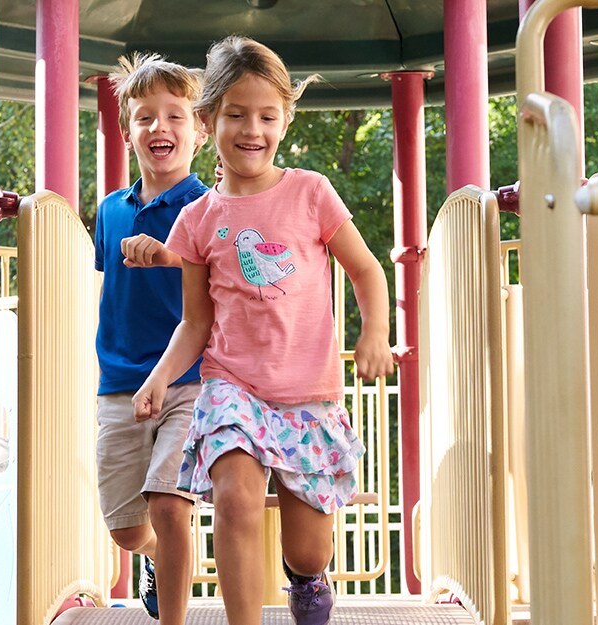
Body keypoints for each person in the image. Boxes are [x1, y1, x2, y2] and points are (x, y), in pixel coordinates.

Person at [133, 35, 395, 625]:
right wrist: (159, 378)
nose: (253, 129)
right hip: (234, 389)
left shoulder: (310, 192)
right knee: (236, 498)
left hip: (308, 392)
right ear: (209, 121)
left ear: (285, 120)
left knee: (308, 546)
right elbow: (196, 323)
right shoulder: (197, 219)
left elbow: (366, 269)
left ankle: (307, 576)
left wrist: (373, 330)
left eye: (267, 116)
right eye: (236, 114)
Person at [92, 52, 207, 623]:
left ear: (200, 129)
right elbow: (110, 289)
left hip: (190, 380)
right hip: (119, 380)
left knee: (168, 502)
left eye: (175, 116)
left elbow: (218, 290)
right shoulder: (111, 211)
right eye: (145, 117)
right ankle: (158, 559)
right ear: (126, 130)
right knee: (128, 528)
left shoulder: (210, 208)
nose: (160, 128)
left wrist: (169, 258)